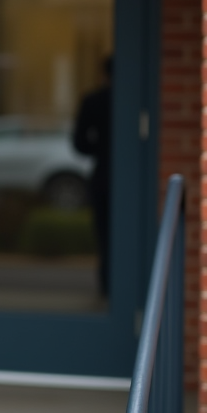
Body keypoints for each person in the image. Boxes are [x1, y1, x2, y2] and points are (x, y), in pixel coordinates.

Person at [72, 56, 113, 297]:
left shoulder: (94, 101)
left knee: (105, 237)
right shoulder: (130, 101)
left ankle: (107, 289)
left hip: (103, 177)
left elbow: (80, 143)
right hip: (122, 180)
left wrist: (100, 148)